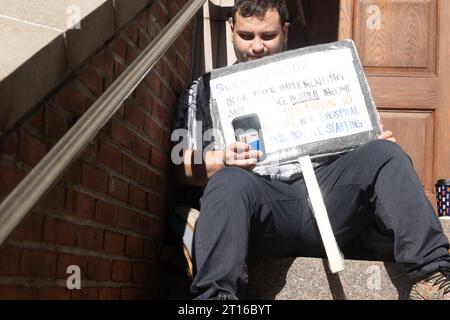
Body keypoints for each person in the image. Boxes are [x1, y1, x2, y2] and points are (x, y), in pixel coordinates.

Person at [171, 0, 450, 300]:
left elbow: (358, 145)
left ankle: (433, 279)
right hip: (260, 208)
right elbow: (179, 166)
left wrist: (373, 146)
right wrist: (221, 160)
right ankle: (216, 300)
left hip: (328, 196)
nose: (256, 47)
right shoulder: (204, 90)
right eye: (246, 36)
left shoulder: (318, 73)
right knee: (226, 181)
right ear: (230, 30)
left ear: (286, 31)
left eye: (268, 36)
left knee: (386, 155)